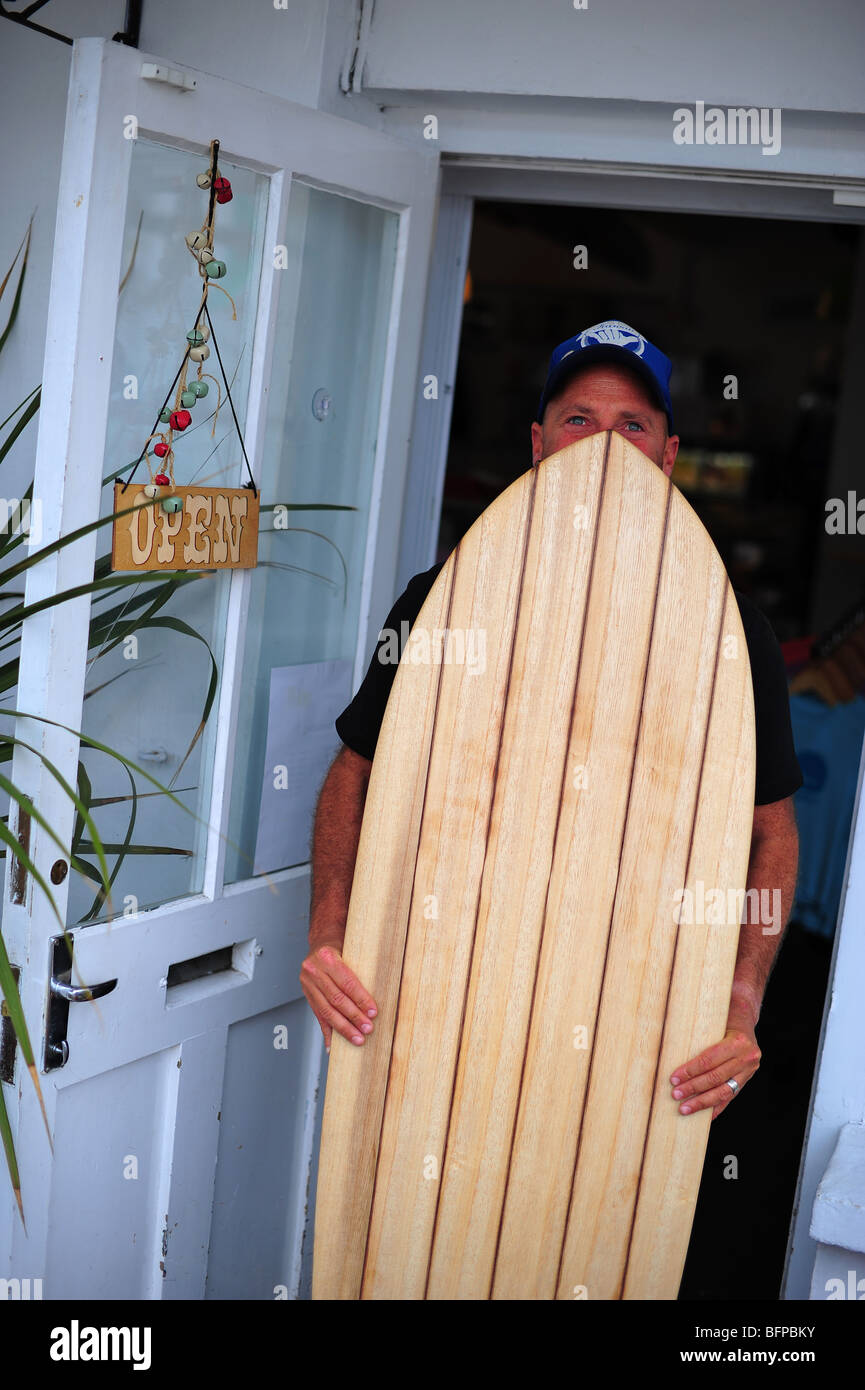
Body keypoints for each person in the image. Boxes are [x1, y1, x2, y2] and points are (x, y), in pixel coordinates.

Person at [300, 319, 802, 1123]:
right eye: (579, 420)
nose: (604, 447)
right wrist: (329, 932)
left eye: (632, 425)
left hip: (641, 1024)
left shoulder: (733, 630)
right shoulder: (443, 600)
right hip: (438, 992)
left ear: (667, 455)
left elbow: (769, 833)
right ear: (538, 443)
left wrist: (740, 1002)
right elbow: (355, 770)